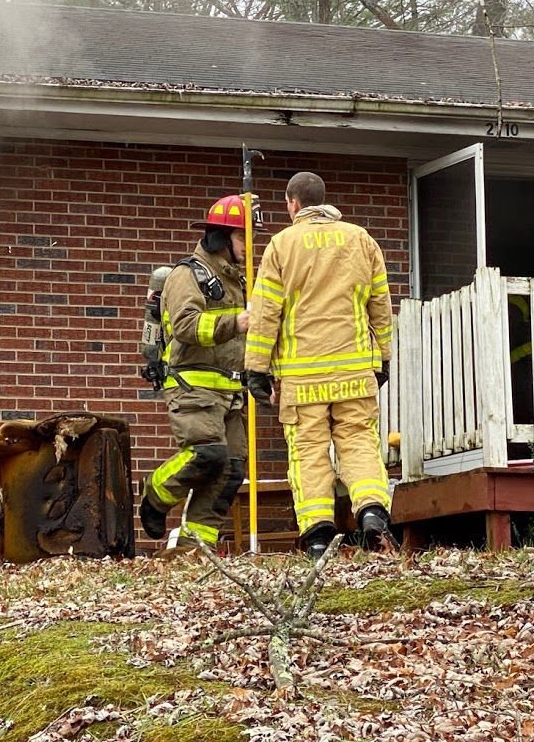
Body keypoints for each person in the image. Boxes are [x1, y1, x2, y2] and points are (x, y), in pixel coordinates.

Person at [244, 172, 394, 559]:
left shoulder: (281, 246)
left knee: (308, 453)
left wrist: (256, 369)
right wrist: (385, 358)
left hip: (302, 378)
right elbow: (380, 305)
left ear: (292, 203)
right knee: (359, 443)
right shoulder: (361, 239)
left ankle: (317, 535)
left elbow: (265, 314)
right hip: (355, 371)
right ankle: (373, 513)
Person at [139, 194, 252, 549]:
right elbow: (187, 326)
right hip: (193, 386)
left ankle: (194, 547)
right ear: (220, 238)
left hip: (231, 392)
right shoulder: (188, 275)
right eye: (242, 238)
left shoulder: (237, 280)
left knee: (232, 468)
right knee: (208, 455)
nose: (249, 247)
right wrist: (236, 321)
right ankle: (157, 491)